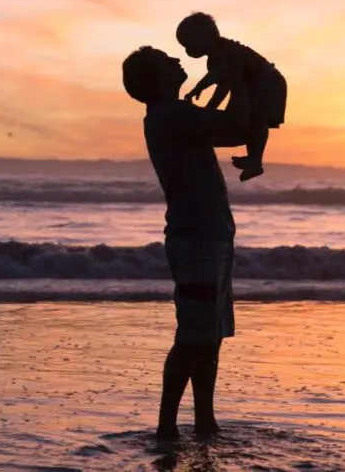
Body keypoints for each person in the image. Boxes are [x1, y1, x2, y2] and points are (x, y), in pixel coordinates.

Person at [121, 45, 246, 441]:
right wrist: (242, 79)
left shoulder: (170, 116)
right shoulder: (172, 114)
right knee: (194, 337)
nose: (177, 62)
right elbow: (236, 127)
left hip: (205, 236)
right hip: (198, 240)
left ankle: (203, 422)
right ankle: (167, 427)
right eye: (166, 61)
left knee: (207, 336)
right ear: (156, 80)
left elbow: (222, 125)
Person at [176, 12, 287, 182]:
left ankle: (255, 160)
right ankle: (254, 160)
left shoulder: (228, 51)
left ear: (206, 37)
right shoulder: (216, 57)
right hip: (256, 84)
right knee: (253, 120)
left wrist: (209, 108)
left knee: (258, 119)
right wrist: (199, 89)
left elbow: (225, 84)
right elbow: (218, 78)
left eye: (188, 44)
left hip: (268, 82)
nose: (187, 51)